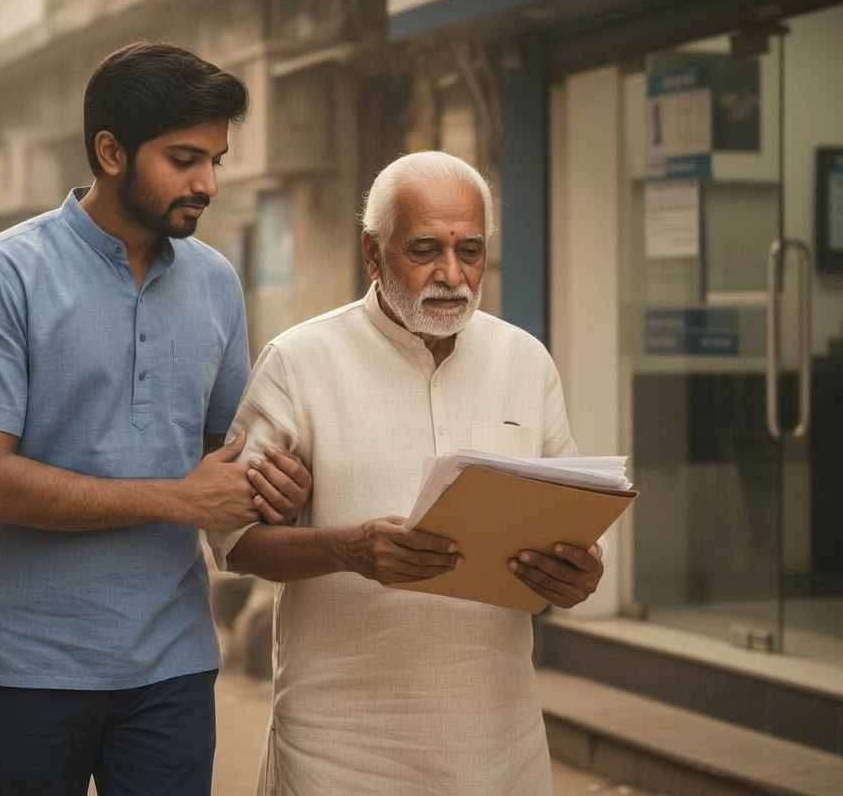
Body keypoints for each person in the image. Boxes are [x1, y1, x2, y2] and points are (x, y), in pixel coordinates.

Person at [0, 42, 312, 796]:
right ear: (110, 151)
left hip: (172, 660)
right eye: (184, 159)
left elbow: (226, 459)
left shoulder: (214, 282)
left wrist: (285, 481)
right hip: (31, 664)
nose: (207, 183)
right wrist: (176, 498)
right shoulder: (4, 275)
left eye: (216, 159)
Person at [208, 151, 605, 796]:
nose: (452, 275)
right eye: (425, 250)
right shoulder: (300, 362)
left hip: (498, 746)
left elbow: (576, 520)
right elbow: (232, 542)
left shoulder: (524, 361)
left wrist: (579, 573)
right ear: (372, 253)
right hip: (338, 747)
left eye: (470, 251)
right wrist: (349, 548)